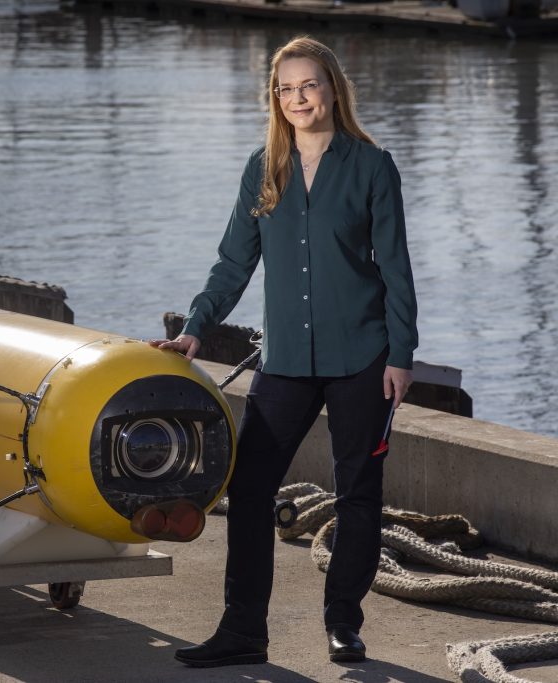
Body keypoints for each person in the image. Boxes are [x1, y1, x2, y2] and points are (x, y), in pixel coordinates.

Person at [151, 36, 417, 667]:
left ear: (333, 89)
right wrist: (196, 326)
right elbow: (233, 262)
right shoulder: (262, 166)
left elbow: (397, 269)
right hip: (287, 361)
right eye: (287, 88)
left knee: (358, 492)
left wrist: (402, 354)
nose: (299, 98)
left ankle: (343, 625)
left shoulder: (373, 166)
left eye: (310, 85)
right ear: (276, 98)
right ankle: (244, 630)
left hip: (363, 358)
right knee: (248, 489)